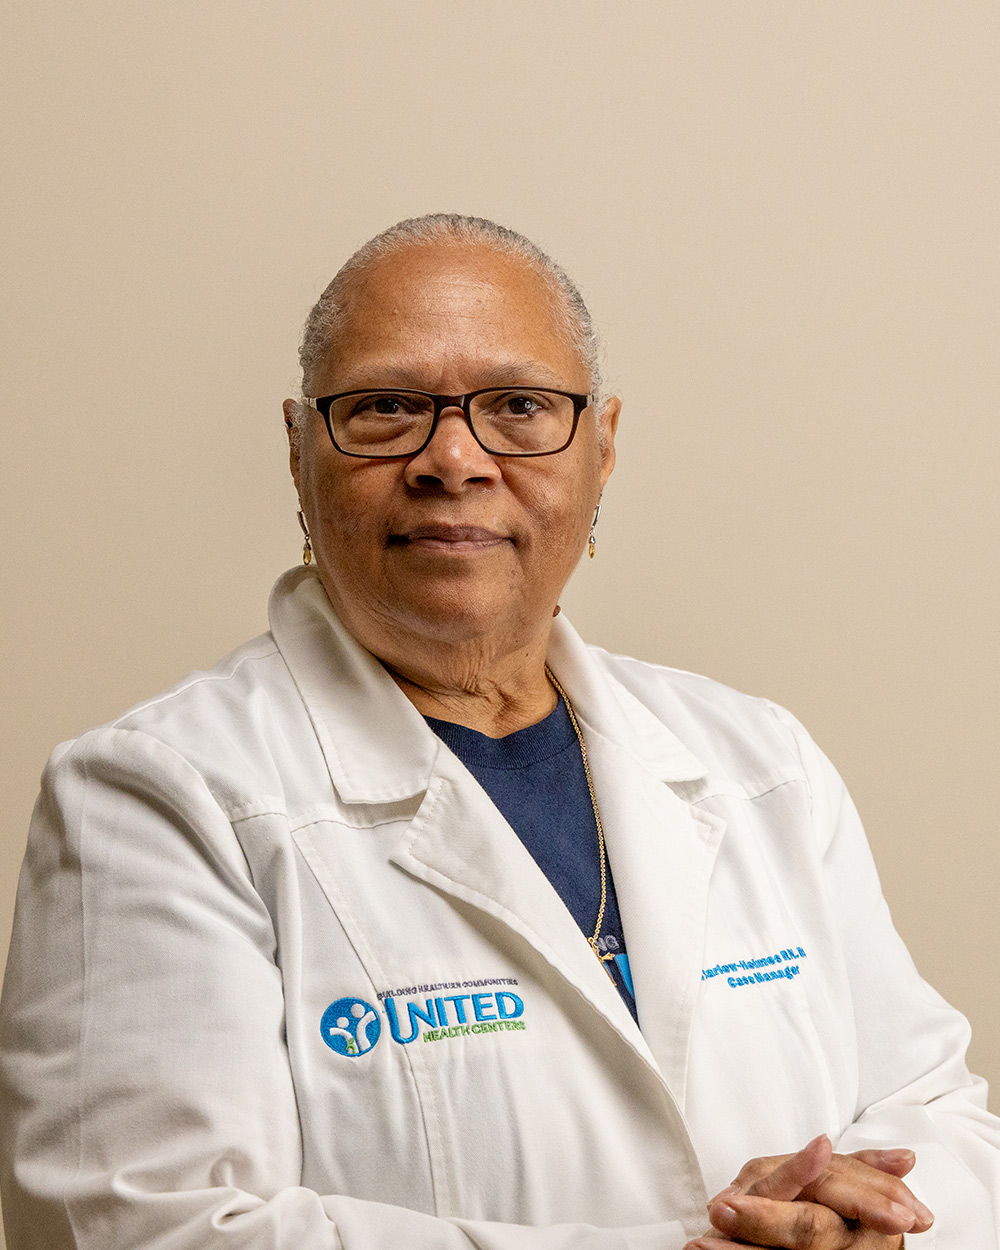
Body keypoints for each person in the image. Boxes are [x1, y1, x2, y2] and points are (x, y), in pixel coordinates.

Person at [0, 213, 996, 1249]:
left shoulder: (759, 761)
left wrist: (866, 1222)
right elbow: (140, 1229)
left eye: (519, 406)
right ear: (299, 452)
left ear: (602, 447)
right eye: (387, 408)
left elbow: (940, 1117)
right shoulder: (155, 794)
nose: (454, 458)